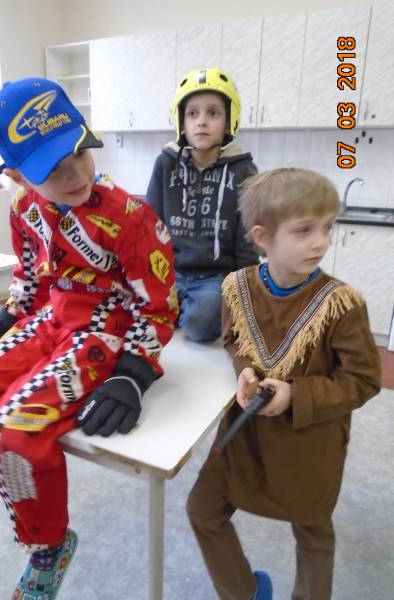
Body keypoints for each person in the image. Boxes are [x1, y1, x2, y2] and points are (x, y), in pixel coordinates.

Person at [0, 77, 178, 600]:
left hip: (104, 334)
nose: (76, 174)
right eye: (52, 168)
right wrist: (8, 318)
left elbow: (159, 305)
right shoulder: (23, 210)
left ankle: (48, 547)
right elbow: (30, 277)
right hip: (48, 323)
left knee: (12, 427)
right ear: (16, 175)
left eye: (80, 153)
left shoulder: (131, 217)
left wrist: (134, 373)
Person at [186, 168, 381, 600]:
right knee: (202, 509)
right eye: (304, 230)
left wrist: (297, 394)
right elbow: (234, 340)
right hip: (244, 436)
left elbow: (364, 379)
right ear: (263, 237)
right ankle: (244, 592)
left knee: (314, 533)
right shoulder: (237, 287)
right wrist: (244, 370)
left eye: (327, 227)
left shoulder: (342, 304)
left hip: (308, 445)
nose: (320, 242)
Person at [146, 68, 259, 343]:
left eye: (213, 113)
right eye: (193, 114)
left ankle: (184, 312)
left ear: (229, 121)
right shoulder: (165, 164)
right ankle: (177, 309)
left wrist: (247, 291)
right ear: (181, 122)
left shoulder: (244, 171)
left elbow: (247, 238)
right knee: (136, 312)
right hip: (169, 273)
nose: (202, 122)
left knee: (200, 324)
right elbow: (150, 225)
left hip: (215, 278)